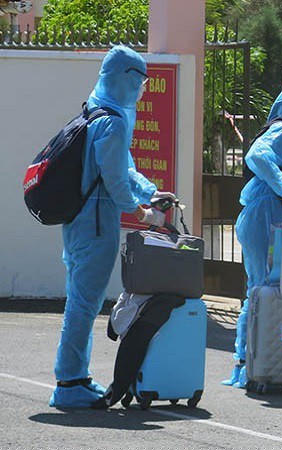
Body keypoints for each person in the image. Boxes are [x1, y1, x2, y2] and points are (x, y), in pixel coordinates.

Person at [50, 45, 175, 408]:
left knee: (80, 302)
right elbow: (117, 182)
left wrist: (150, 192)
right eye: (139, 82)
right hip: (96, 227)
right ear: (126, 79)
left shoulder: (95, 110)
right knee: (83, 305)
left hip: (80, 223)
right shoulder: (114, 121)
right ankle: (69, 382)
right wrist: (144, 214)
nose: (141, 90)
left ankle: (75, 376)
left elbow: (123, 168)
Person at [222, 81, 282, 388]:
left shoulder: (279, 131)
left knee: (259, 289)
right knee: (264, 289)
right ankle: (254, 364)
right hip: (265, 214)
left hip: (261, 215)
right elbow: (256, 156)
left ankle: (248, 363)